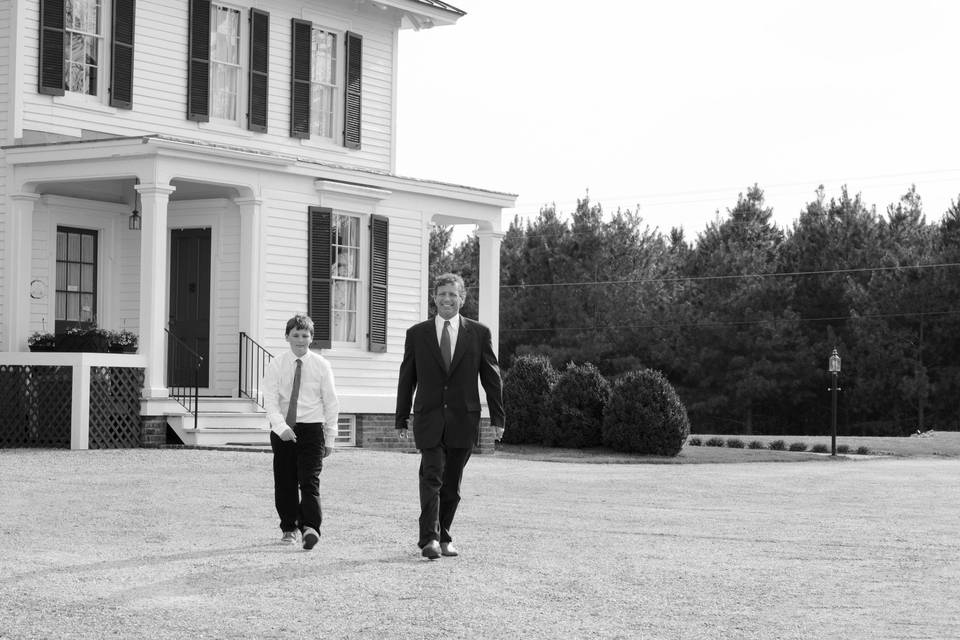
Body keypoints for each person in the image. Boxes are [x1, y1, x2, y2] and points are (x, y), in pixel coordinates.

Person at [395, 273, 505, 560]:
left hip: (463, 419)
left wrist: (498, 418)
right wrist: (400, 416)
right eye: (442, 294)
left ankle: (444, 535)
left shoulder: (479, 334)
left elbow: (492, 378)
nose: (447, 299)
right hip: (429, 417)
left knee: (452, 483)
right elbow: (407, 378)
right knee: (431, 476)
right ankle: (429, 539)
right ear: (434, 297)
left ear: (462, 299)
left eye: (452, 295)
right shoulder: (417, 334)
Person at [262, 314, 339, 550]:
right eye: (295, 335)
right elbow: (271, 401)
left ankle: (310, 528)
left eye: (305, 335)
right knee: (285, 481)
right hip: (284, 430)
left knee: (309, 481)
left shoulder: (321, 365)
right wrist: (281, 427)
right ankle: (289, 528)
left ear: (311, 338)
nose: (300, 340)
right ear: (287, 337)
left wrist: (330, 436)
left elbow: (331, 402)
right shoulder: (276, 364)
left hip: (312, 430)